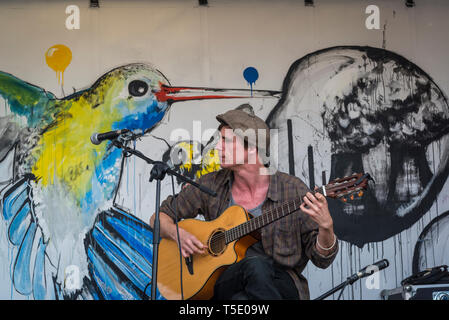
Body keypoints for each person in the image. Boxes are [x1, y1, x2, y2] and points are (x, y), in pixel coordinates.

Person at [150, 106, 338, 300]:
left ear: (253, 148)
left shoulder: (292, 190)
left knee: (249, 282)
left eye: (226, 141)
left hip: (280, 284)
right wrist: (177, 233)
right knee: (247, 279)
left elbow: (321, 260)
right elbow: (158, 218)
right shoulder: (210, 184)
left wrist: (326, 227)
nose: (217, 147)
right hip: (226, 281)